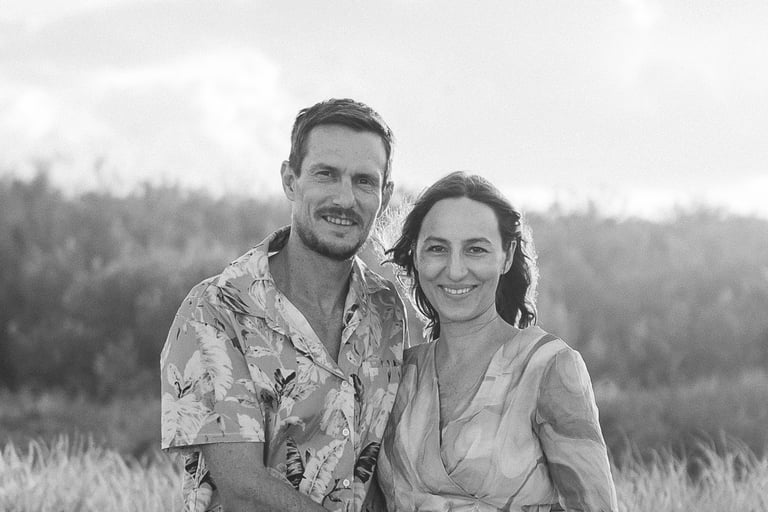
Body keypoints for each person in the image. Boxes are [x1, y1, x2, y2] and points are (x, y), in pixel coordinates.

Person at [160, 98, 407, 512]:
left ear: (385, 194)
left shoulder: (387, 310)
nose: (345, 199)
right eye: (326, 174)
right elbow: (244, 492)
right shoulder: (216, 309)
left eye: (364, 181)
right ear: (290, 180)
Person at [378, 172, 618, 511]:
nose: (456, 270)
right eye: (437, 248)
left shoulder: (547, 368)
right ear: (416, 256)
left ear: (506, 257)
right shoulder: (398, 375)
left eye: (476, 249)